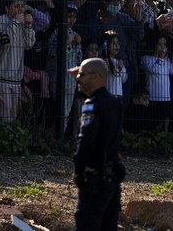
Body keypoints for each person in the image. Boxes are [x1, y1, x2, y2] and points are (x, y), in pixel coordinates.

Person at [71, 57, 124, 231]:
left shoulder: (91, 105)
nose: (78, 78)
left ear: (96, 77)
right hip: (112, 180)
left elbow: (86, 141)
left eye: (82, 75)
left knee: (87, 222)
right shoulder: (114, 103)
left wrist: (79, 171)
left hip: (95, 181)